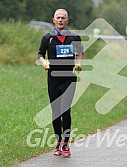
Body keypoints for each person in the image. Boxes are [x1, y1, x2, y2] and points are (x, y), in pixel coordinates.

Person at [37, 9, 84, 157]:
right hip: (53, 78)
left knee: (66, 110)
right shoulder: (47, 38)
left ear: (67, 20)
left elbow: (80, 53)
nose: (61, 20)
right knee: (56, 111)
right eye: (58, 18)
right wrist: (44, 61)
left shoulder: (74, 37)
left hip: (69, 77)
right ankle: (58, 142)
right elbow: (40, 54)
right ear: (54, 20)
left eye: (63, 18)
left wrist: (79, 63)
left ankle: (66, 144)